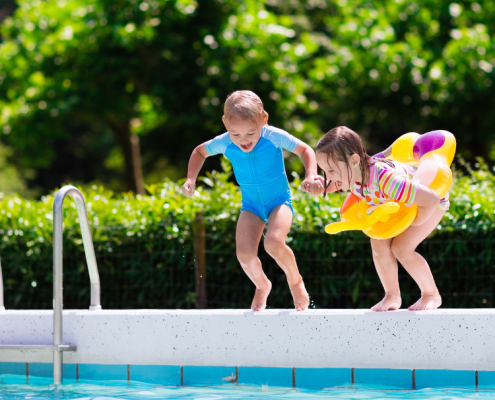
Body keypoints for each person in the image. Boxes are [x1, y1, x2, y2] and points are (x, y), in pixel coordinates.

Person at [182, 90, 323, 311]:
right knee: (244, 254)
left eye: (250, 133)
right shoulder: (225, 142)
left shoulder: (272, 136)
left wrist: (310, 175)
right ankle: (262, 285)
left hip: (279, 201)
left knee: (274, 243)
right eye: (235, 134)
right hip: (251, 207)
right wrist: (191, 179)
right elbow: (199, 152)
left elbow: (305, 149)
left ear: (263, 119)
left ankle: (295, 282)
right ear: (225, 123)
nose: (243, 141)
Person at [315, 126, 447, 311]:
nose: (328, 177)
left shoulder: (387, 180)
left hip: (428, 201)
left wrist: (416, 220)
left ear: (354, 160)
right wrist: (322, 187)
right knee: (378, 245)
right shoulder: (355, 175)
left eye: (331, 170)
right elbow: (341, 185)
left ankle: (431, 295)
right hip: (392, 201)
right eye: (324, 171)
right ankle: (392, 296)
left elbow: (431, 199)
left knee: (401, 248)